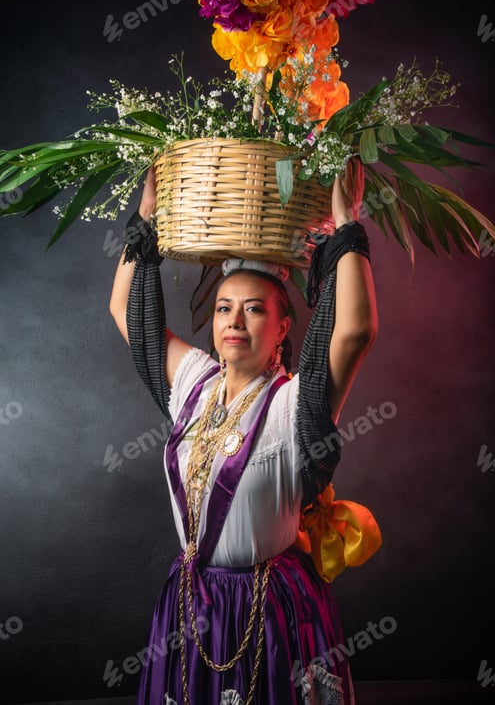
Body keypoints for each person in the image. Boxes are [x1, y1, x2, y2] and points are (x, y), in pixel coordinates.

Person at [109, 157, 379, 705]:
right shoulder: (195, 384)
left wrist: (347, 224)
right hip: (190, 602)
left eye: (254, 310)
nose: (234, 320)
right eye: (225, 307)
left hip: (269, 608)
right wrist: (145, 217)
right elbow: (126, 311)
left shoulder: (293, 403)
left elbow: (354, 330)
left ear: (282, 328)